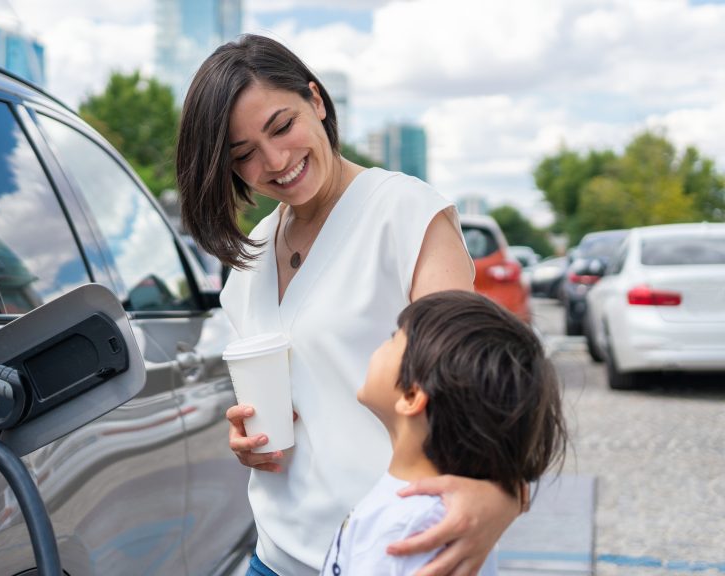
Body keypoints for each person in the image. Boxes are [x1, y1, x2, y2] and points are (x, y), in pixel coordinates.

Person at [176, 34, 523, 576]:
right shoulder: (251, 258)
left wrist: (506, 493)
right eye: (244, 155)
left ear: (316, 100)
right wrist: (247, 436)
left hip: (399, 553)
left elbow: (477, 385)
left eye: (282, 126)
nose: (276, 161)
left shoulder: (404, 214)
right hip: (276, 553)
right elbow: (301, 401)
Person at [320, 290, 568, 575]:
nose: (381, 343)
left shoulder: (409, 528)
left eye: (393, 337)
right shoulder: (426, 512)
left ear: (412, 395)